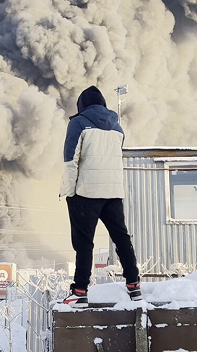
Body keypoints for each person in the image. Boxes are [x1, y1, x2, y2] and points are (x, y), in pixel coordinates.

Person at [59, 85, 141, 307]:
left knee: (84, 243)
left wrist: (68, 191)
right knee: (122, 238)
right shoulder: (118, 128)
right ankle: (134, 285)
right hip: (113, 193)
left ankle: (79, 292)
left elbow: (70, 160)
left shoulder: (77, 123)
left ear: (82, 106)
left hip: (86, 193)